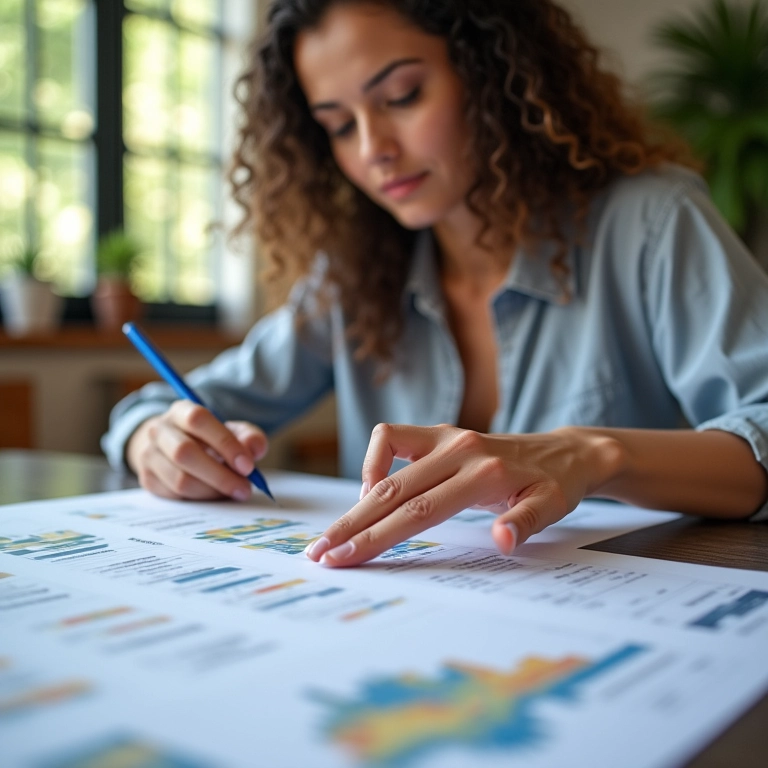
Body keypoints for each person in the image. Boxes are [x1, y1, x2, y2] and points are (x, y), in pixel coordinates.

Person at [103, 0, 768, 568]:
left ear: (495, 73)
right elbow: (173, 403)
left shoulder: (650, 221)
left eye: (401, 97)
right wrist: (151, 439)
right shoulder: (353, 275)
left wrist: (594, 455)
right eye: (338, 125)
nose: (373, 149)